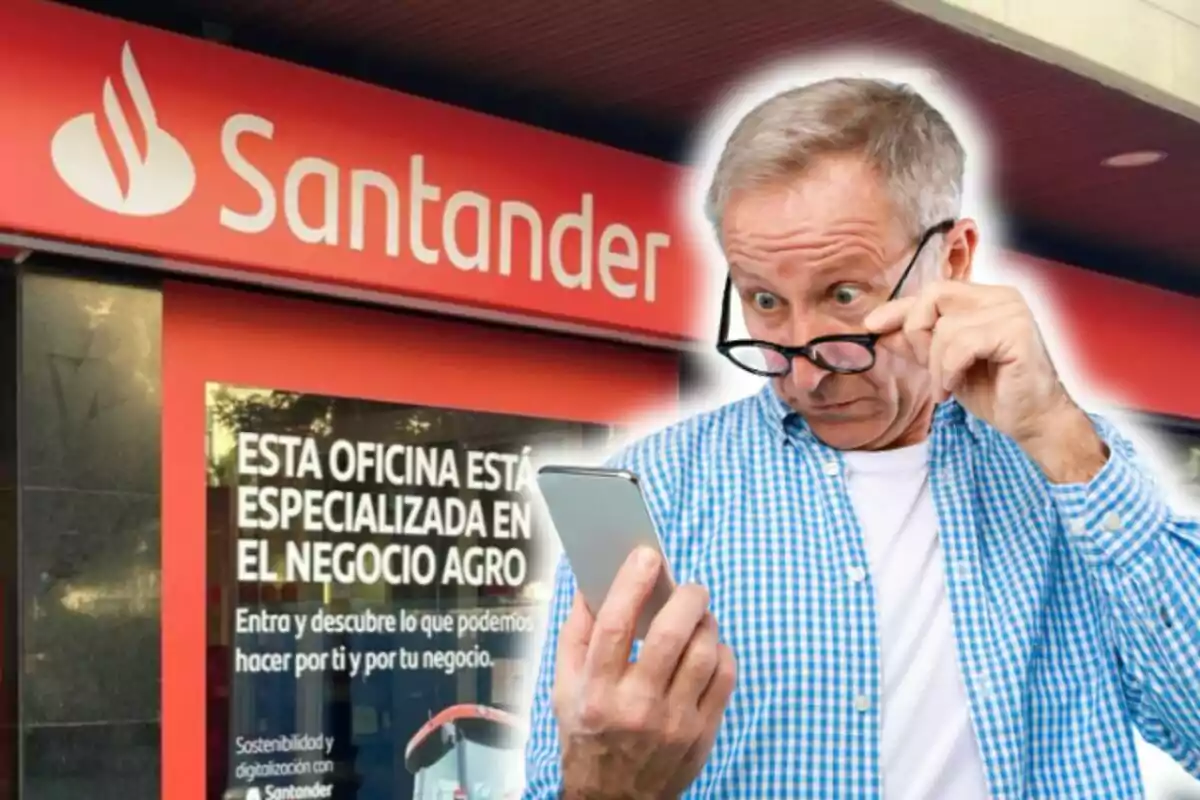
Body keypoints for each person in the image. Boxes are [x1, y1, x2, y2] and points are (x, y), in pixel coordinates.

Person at [520, 76, 1200, 799]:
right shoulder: (660, 489)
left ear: (955, 260)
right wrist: (602, 785)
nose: (807, 371)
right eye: (765, 301)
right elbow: (548, 783)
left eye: (844, 295)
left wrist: (1060, 435)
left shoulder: (1070, 474)